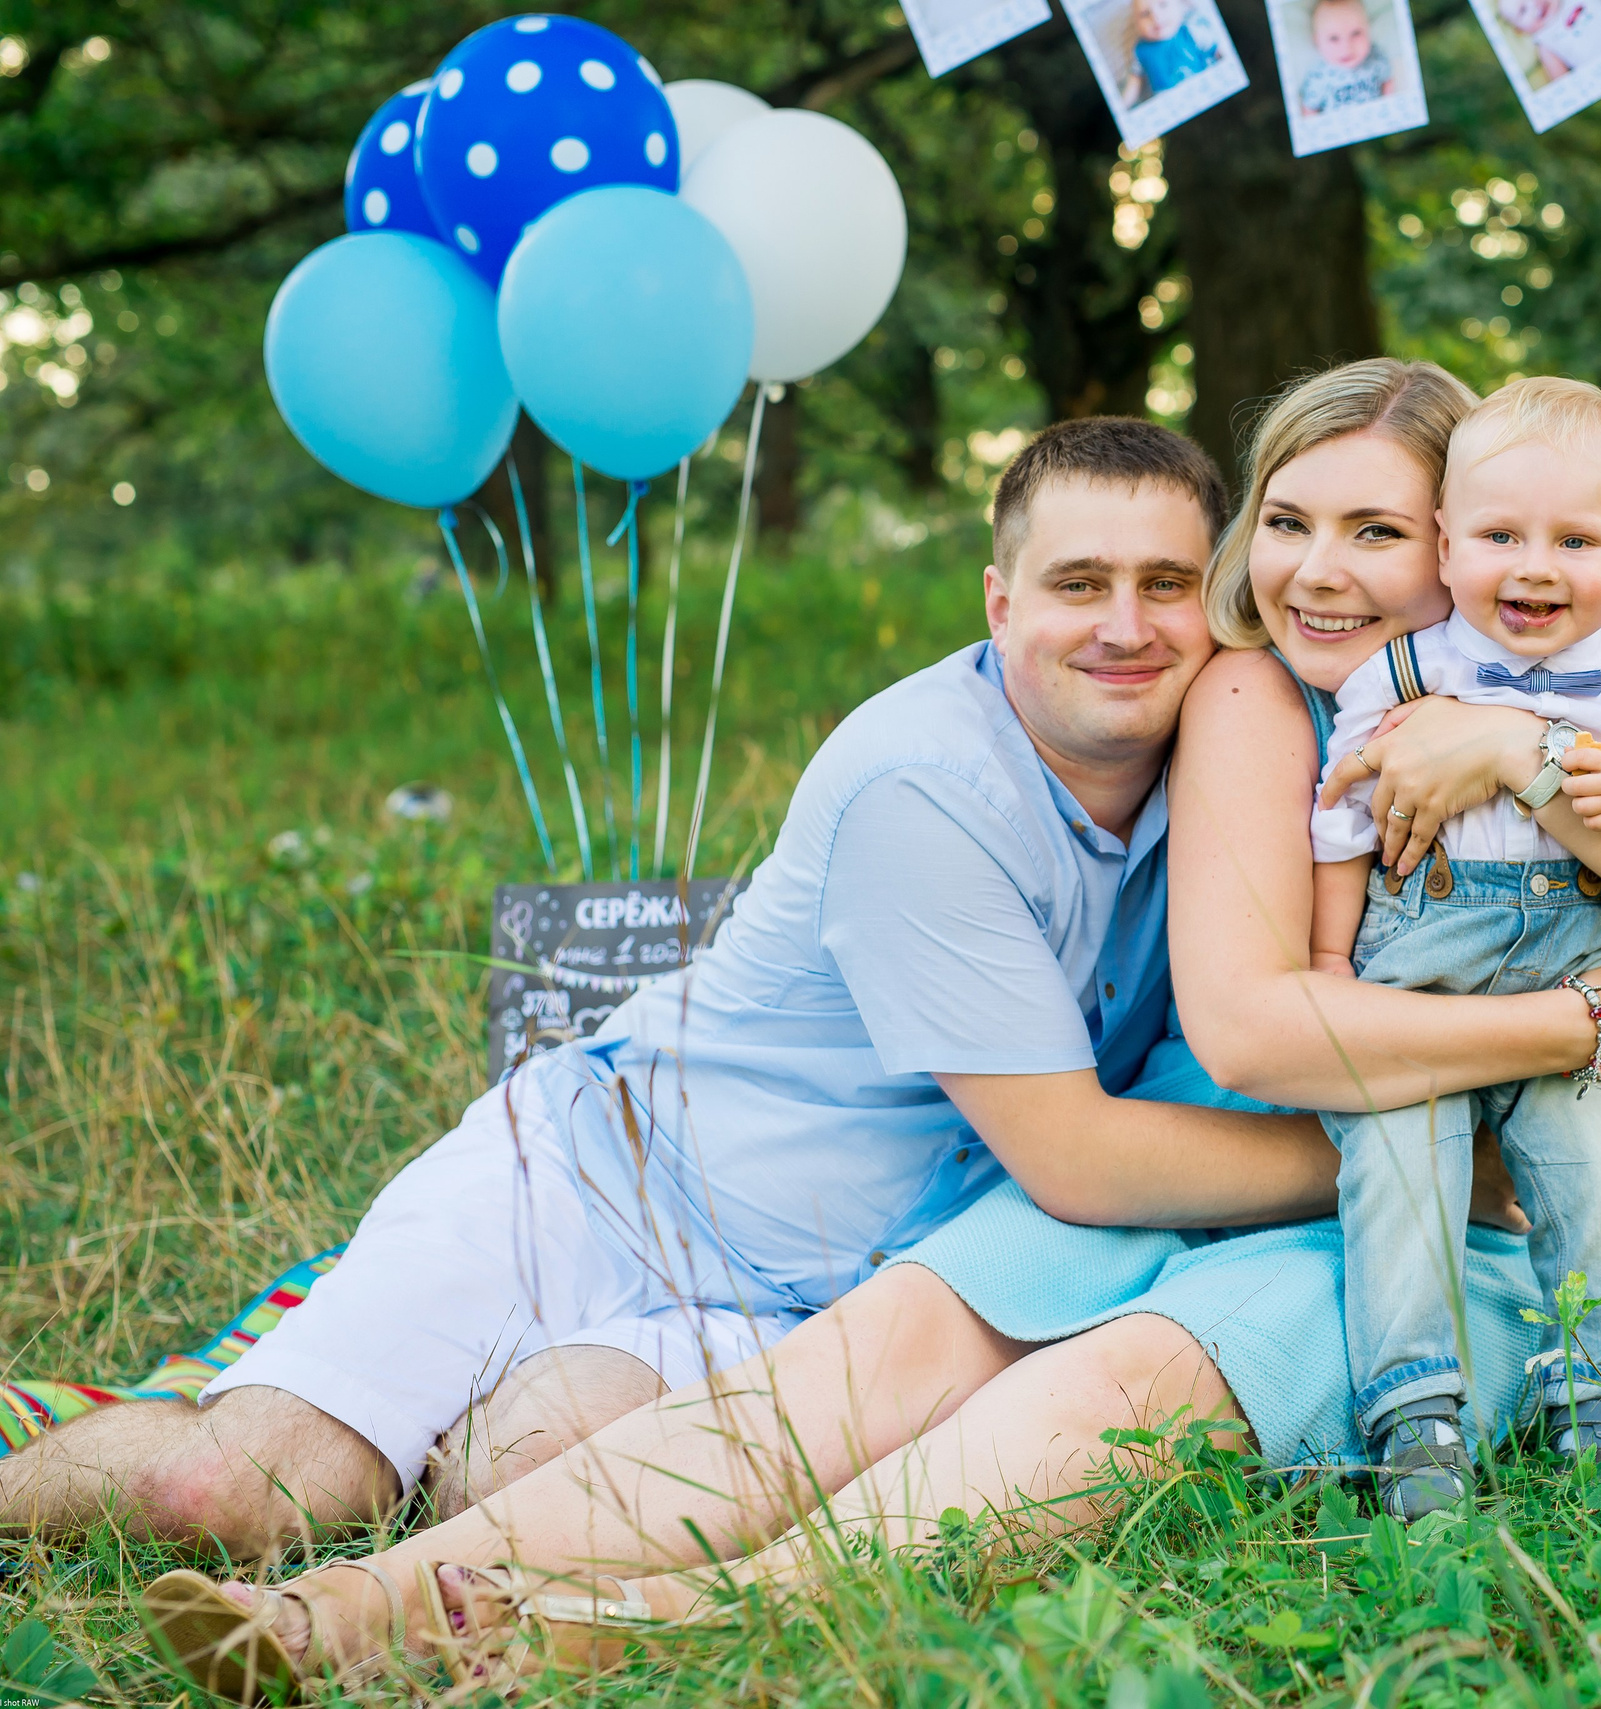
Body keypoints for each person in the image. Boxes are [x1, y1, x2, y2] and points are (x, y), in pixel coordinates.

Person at [137, 362, 1601, 1693]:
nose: (1321, 570)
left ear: (1465, 543)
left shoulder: (1599, 695)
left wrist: (1509, 744)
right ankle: (367, 1604)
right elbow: (1253, 1025)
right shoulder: (1242, 688)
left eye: (1380, 529)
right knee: (890, 1348)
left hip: (1435, 1205)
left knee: (1103, 1391)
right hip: (1247, 1120)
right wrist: (1569, 1023)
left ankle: (660, 1621)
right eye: (1287, 521)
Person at [5, 418, 1339, 1557]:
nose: (1124, 626)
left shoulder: (1222, 766)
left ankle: (411, 1427)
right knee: (245, 1492)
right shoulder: (925, 786)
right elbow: (1083, 1168)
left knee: (516, 1485)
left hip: (794, 1300)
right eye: (1079, 582)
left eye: (1166, 583)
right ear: (1000, 603)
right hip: (601, 1185)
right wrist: (1393, 1169)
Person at [1307, 377, 1601, 1516]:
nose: (1533, 567)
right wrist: (1331, 966)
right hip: (1416, 984)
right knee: (1398, 1185)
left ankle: (1596, 1396)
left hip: (1575, 992)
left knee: (1593, 1192)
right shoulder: (1400, 672)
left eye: (1574, 540)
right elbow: (1337, 815)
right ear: (1445, 542)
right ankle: (1413, 1413)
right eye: (1498, 536)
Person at [1496, 0, 1601, 84]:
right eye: (1523, 10)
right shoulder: (1546, 44)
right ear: (1521, 30)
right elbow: (1563, 84)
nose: (1534, 3)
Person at [1298, 0, 1394, 114]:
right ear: (1317, 41)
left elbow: (1387, 81)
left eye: (1356, 33)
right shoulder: (1317, 75)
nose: (1346, 47)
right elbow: (1309, 109)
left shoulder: (1376, 56)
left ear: (1368, 29)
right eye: (1334, 38)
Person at [1124, 0, 1220, 103]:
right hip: (1168, 103)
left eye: (1163, 5)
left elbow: (1218, 52)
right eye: (1145, 14)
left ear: (1179, 6)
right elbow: (1134, 83)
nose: (1156, 17)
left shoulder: (1190, 31)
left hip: (1202, 91)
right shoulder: (1141, 50)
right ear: (1137, 25)